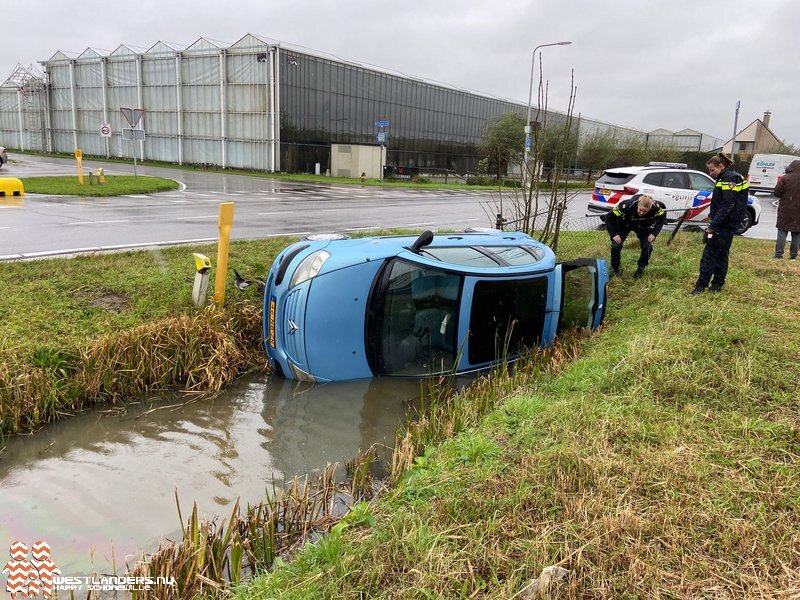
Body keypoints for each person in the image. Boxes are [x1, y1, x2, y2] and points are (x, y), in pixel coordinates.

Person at [692, 153, 749, 295]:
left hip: (723, 224)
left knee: (709, 256)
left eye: (712, 170)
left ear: (721, 166)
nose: (710, 174)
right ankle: (717, 285)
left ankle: (700, 287)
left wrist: (713, 224)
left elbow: (727, 204)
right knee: (722, 255)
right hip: (729, 224)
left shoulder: (728, 178)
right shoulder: (731, 176)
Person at [606, 193, 666, 279]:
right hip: (624, 224)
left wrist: (654, 233)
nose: (641, 213)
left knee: (647, 246)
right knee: (616, 245)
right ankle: (616, 268)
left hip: (643, 226)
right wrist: (614, 234)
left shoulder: (655, 207)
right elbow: (609, 217)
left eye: (645, 211)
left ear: (650, 208)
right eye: (640, 210)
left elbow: (662, 219)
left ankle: (640, 269)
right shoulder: (625, 205)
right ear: (638, 204)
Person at [772, 159, 800, 260]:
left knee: (782, 231)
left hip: (786, 209)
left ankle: (778, 254)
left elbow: (776, 193)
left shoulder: (785, 178)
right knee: (797, 233)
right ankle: (793, 256)